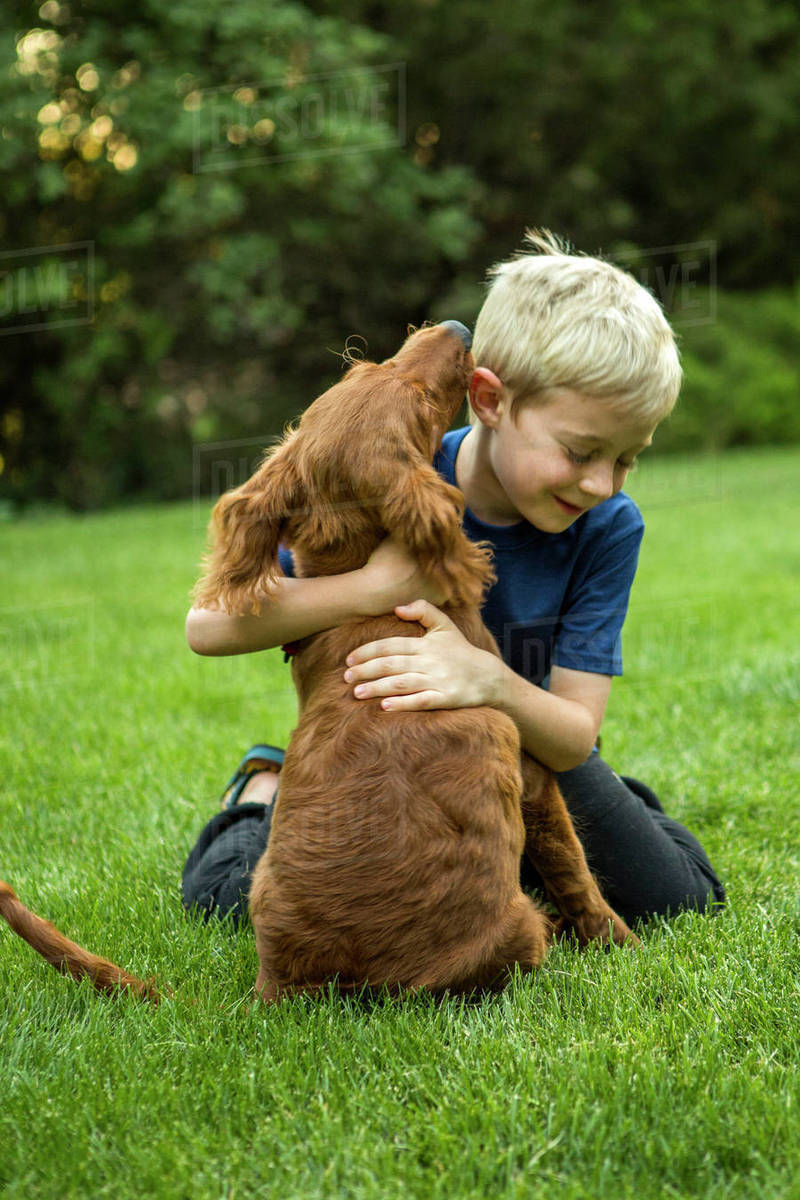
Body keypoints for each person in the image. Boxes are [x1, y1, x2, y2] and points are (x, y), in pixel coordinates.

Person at [183, 228, 725, 929]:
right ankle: (263, 789)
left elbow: (573, 734)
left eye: (627, 459)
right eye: (581, 451)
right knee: (232, 905)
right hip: (390, 775)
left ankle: (628, 804)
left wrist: (485, 679)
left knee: (674, 899)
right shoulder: (386, 468)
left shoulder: (610, 527)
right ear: (490, 400)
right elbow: (208, 628)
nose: (601, 483)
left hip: (531, 761)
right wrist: (372, 591)